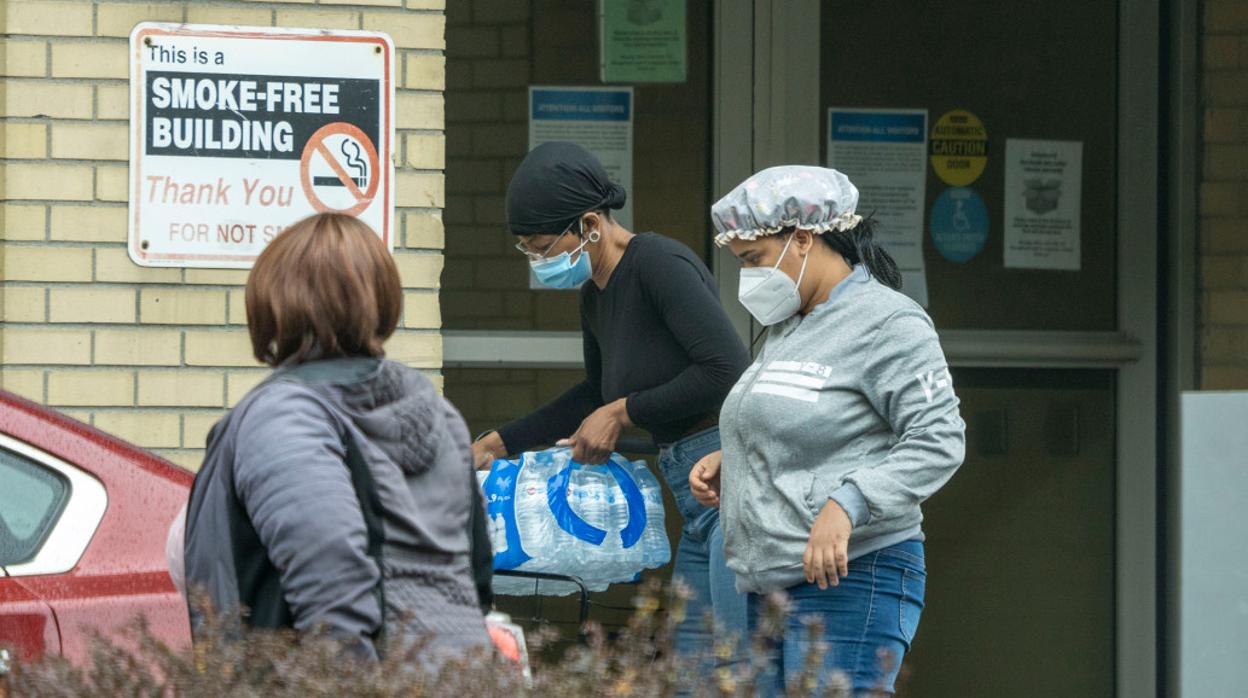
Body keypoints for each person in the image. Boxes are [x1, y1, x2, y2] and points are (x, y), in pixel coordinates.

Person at [470, 142, 752, 662]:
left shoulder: (659, 264)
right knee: (691, 666)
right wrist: (498, 441)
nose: (538, 261)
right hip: (690, 496)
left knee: (733, 661)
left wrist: (623, 413)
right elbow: (595, 394)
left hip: (728, 484)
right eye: (527, 250)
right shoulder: (595, 293)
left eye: (543, 246)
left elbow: (726, 369)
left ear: (590, 224)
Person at [689, 166, 966, 695]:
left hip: (852, 578)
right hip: (767, 583)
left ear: (803, 238)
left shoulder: (888, 322)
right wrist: (739, 454)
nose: (748, 276)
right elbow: (812, 421)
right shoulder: (793, 325)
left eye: (754, 260)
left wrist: (847, 505)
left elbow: (939, 438)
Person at [182, 213, 492, 661]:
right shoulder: (437, 412)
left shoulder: (282, 417)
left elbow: (334, 593)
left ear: (274, 303)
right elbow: (476, 576)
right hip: (458, 675)